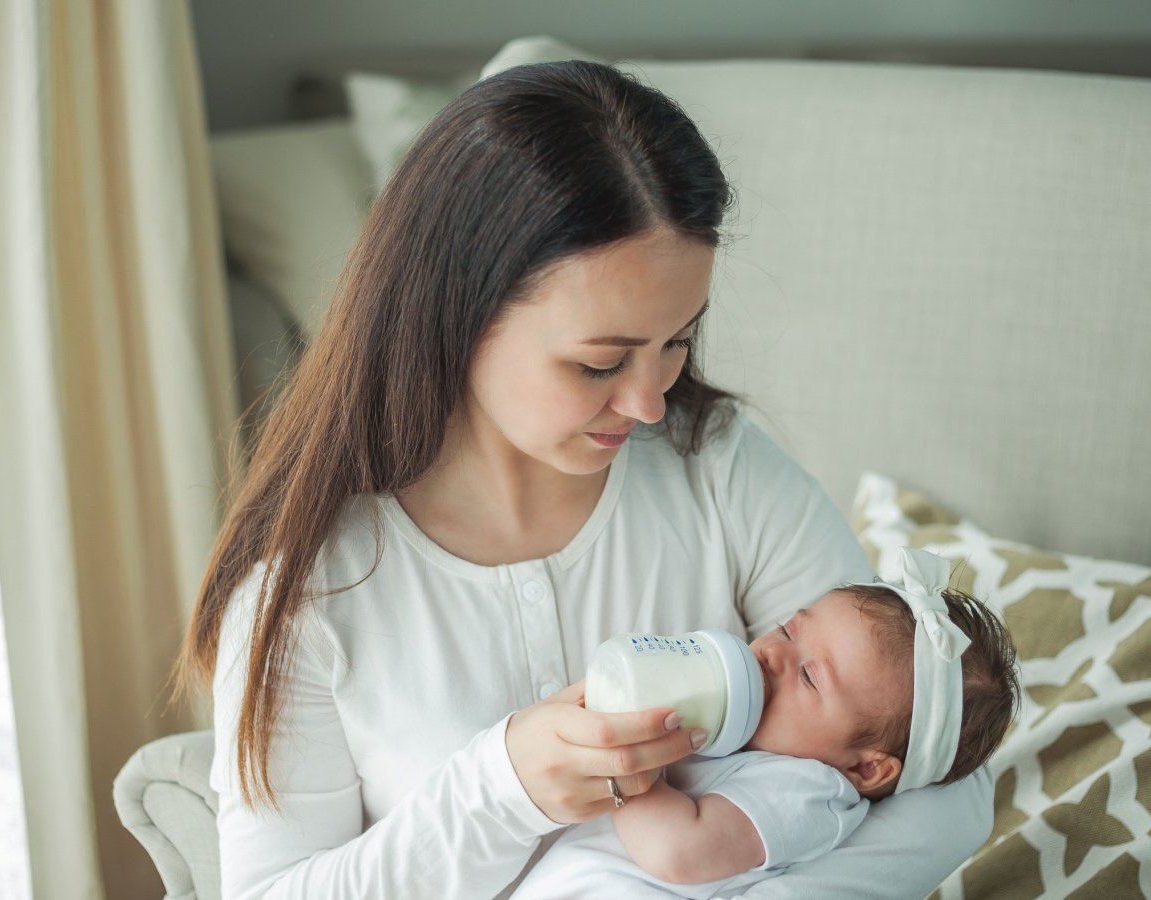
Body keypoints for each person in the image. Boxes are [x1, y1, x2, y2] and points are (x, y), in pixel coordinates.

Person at [178, 59, 994, 900]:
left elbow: (943, 774)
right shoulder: (312, 595)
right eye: (600, 361)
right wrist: (501, 791)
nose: (649, 404)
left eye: (676, 342)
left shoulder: (716, 469)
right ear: (461, 310)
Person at [511, 548, 1021, 898]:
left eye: (809, 677)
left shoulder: (809, 790)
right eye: (788, 628)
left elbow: (678, 851)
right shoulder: (739, 729)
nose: (772, 654)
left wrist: (629, 759)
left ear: (866, 769)